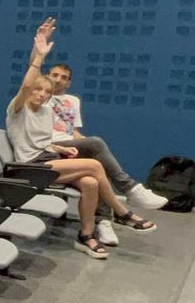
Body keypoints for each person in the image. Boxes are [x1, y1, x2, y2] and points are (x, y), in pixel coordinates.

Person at [7, 19, 155, 257]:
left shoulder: (46, 111)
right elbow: (26, 85)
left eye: (46, 91)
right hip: (28, 167)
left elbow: (42, 141)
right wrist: (39, 56)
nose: (42, 94)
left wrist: (58, 147)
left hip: (47, 158)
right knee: (95, 164)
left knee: (91, 182)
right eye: (38, 89)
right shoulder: (18, 109)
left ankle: (86, 235)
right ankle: (122, 212)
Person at [47, 63, 166, 211]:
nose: (58, 80)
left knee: (100, 162)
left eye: (64, 77)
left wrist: (85, 142)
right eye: (55, 75)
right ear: (47, 76)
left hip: (71, 146)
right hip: (52, 146)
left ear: (69, 83)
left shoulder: (73, 101)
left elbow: (73, 130)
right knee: (96, 143)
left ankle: (103, 221)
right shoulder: (39, 96)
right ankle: (131, 189)